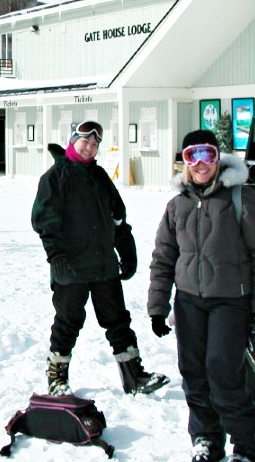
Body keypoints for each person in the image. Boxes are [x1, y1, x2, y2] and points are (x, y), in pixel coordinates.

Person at [147, 129, 255, 462]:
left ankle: (248, 444)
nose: (201, 164)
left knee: (223, 370)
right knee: (193, 372)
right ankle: (206, 437)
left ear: (218, 158)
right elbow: (163, 257)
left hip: (230, 301)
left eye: (207, 154)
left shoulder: (241, 198)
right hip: (189, 300)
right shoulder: (177, 206)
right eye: (193, 156)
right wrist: (158, 307)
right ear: (184, 162)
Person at [31, 119, 168, 397]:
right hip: (71, 268)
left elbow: (117, 217)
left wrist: (125, 247)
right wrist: (56, 258)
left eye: (95, 144)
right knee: (67, 323)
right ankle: (57, 378)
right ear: (73, 141)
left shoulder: (100, 177)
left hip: (104, 265)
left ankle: (134, 375)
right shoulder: (55, 178)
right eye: (85, 142)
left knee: (118, 320)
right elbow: (45, 222)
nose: (90, 148)